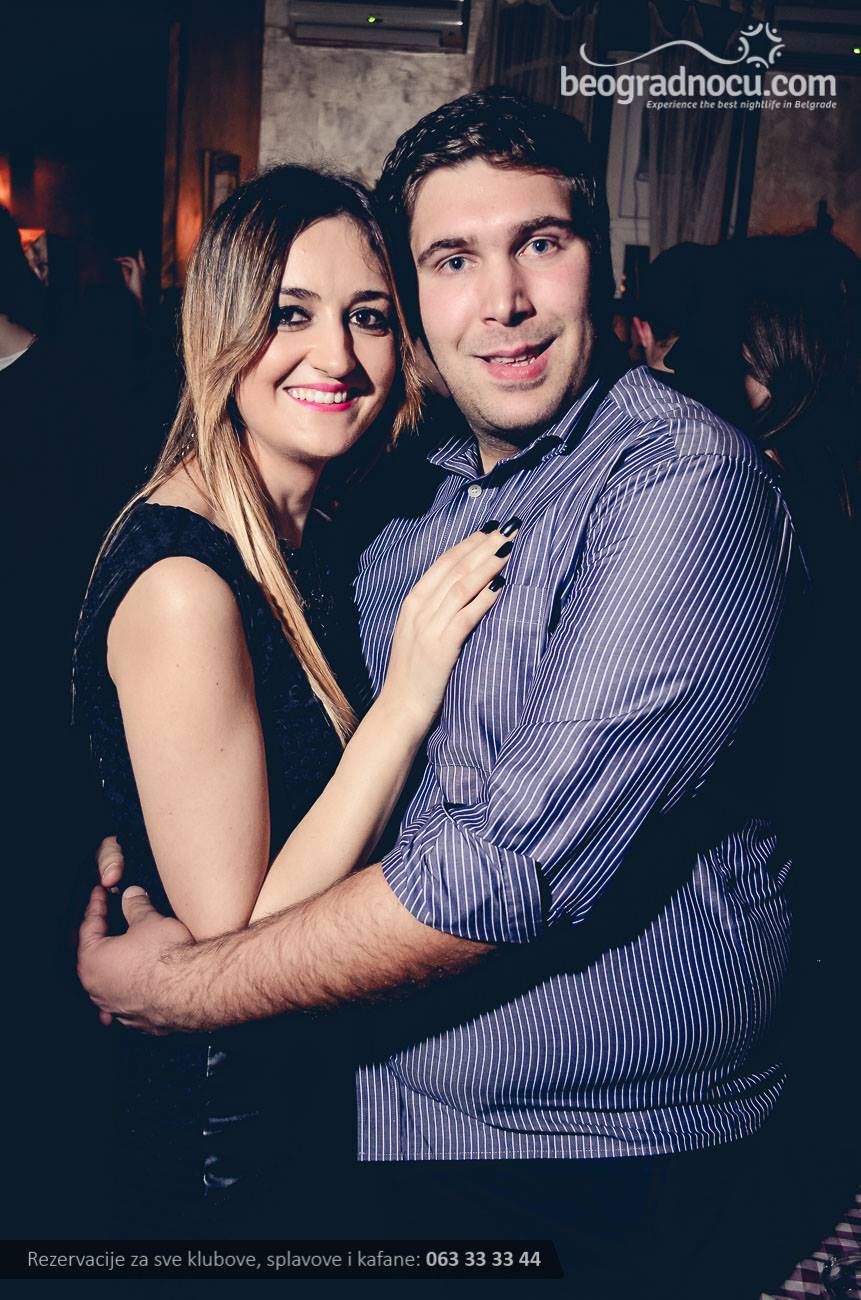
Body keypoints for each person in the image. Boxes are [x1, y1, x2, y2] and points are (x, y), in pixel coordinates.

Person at [80, 91, 800, 1298]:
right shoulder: (400, 488)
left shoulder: (681, 482)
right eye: (453, 259)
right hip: (370, 1115)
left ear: (601, 263)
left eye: (541, 243)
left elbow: (508, 863)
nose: (503, 300)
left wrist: (179, 990)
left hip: (595, 1157)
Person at [72, 163, 515, 1234]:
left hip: (305, 1096)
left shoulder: (307, 529)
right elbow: (237, 942)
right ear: (222, 329)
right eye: (289, 314)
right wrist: (407, 697)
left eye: (368, 316)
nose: (337, 357)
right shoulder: (186, 585)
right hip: (223, 1135)